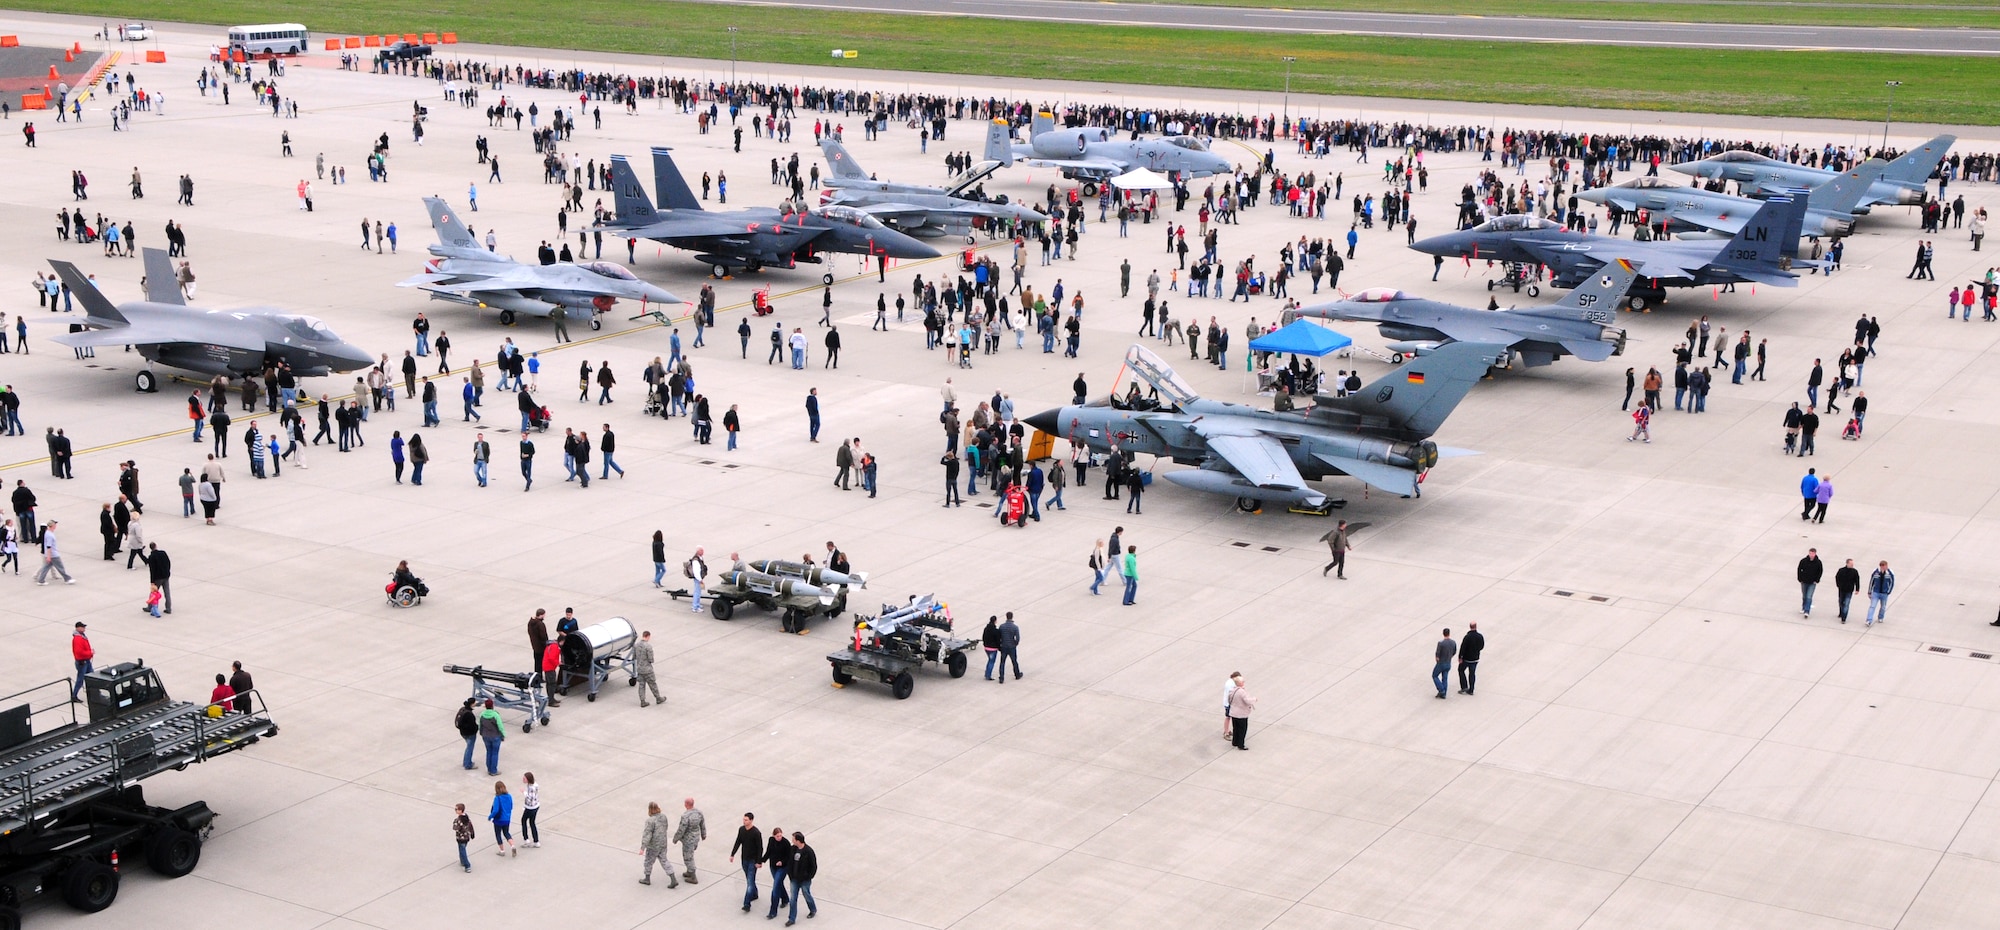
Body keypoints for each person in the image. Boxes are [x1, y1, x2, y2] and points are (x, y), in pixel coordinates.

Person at [640, 802, 680, 887]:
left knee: (648, 861)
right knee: (664, 860)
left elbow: (647, 834)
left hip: (653, 845)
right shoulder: (663, 817)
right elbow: (666, 827)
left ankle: (647, 878)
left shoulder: (650, 821)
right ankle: (673, 878)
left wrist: (643, 847)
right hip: (663, 843)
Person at [731, 813, 765, 912]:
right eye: (743, 820)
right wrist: (732, 854)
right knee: (749, 880)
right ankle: (754, 894)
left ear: (751, 820)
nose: (744, 821)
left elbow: (760, 848)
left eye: (746, 820)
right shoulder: (741, 830)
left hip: (753, 861)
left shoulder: (756, 833)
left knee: (750, 882)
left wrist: (759, 861)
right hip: (744, 859)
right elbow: (738, 842)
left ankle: (747, 904)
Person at [786, 832, 818, 925]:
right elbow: (790, 862)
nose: (792, 841)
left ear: (798, 840)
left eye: (793, 839)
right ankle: (791, 919)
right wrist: (790, 875)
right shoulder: (793, 849)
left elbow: (813, 866)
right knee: (793, 898)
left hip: (805, 880)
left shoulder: (808, 851)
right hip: (794, 879)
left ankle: (813, 909)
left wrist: (808, 877)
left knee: (806, 894)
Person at [674, 798, 706, 884]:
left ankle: (693, 876)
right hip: (696, 837)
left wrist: (676, 838)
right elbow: (702, 824)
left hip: (688, 839)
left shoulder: (685, 816)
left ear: (686, 804)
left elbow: (681, 829)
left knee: (688, 857)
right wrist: (703, 835)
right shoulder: (699, 813)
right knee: (690, 854)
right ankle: (689, 871)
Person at [763, 828, 793, 919]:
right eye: (777, 836)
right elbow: (768, 852)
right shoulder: (771, 840)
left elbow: (789, 857)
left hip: (783, 868)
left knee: (775, 888)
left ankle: (773, 912)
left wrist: (782, 862)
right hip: (773, 866)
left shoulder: (786, 843)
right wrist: (761, 860)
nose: (779, 837)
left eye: (780, 835)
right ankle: (785, 899)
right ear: (773, 835)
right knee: (778, 884)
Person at [37, 519, 73, 586]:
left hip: (50, 554)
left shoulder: (48, 533)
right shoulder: (49, 535)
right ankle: (67, 578)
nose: (56, 525)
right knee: (60, 566)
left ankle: (41, 580)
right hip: (53, 554)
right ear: (52, 526)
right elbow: (49, 546)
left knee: (46, 567)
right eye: (55, 524)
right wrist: (49, 556)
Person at [1227, 674, 1257, 749]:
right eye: (1243, 681)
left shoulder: (1232, 690)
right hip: (1241, 714)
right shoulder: (1242, 692)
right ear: (1240, 683)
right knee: (1242, 729)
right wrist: (1254, 699)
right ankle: (1241, 744)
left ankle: (1235, 742)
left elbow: (1229, 700)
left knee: (1236, 728)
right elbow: (1247, 701)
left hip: (1234, 712)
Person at [488, 781, 517, 857]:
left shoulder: (497, 798)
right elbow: (511, 807)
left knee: (498, 834)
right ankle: (512, 845)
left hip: (498, 820)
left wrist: (490, 816)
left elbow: (495, 810)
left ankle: (502, 850)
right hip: (507, 818)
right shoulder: (509, 796)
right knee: (506, 833)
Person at [476, 697, 505, 776]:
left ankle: (489, 769)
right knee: (495, 753)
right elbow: (500, 726)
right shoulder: (495, 715)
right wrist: (503, 734)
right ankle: (493, 770)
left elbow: (480, 725)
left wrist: (481, 733)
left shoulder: (482, 714)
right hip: (495, 736)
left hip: (485, 736)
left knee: (489, 752)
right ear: (492, 706)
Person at [635, 629, 663, 706]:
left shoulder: (636, 645)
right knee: (652, 684)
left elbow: (634, 656)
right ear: (648, 636)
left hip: (640, 669)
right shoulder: (648, 646)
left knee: (641, 685)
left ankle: (642, 701)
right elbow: (651, 659)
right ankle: (658, 698)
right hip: (647, 669)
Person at [1866, 560, 1895, 627]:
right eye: (1884, 566)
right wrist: (1869, 591)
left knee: (1883, 607)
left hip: (1884, 593)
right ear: (1881, 566)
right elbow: (1871, 582)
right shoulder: (1875, 572)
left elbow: (1892, 583)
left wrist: (1888, 591)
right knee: (1872, 606)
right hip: (1876, 592)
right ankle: (1869, 620)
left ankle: (1880, 617)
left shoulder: (1890, 573)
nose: (1886, 567)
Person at [1458, 622, 1484, 695]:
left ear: (1470, 627)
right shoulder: (1480, 636)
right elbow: (1481, 646)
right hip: (1475, 658)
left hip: (1467, 659)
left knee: (1461, 670)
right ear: (1476, 626)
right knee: (1472, 673)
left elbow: (1463, 647)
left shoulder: (1467, 637)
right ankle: (1471, 690)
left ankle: (1464, 686)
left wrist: (1460, 657)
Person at [69, 620, 92, 701]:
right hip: (82, 662)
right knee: (80, 679)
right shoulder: (78, 638)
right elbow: (79, 652)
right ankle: (74, 696)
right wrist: (90, 652)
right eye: (83, 627)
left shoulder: (82, 636)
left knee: (91, 677)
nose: (84, 628)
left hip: (86, 661)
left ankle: (93, 694)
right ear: (78, 628)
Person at [996, 612, 1022, 683]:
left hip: (1004, 646)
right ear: (1012, 617)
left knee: (1002, 662)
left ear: (1006, 617)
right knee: (1014, 661)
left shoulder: (1002, 626)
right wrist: (1015, 644)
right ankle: (1017, 674)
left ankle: (1001, 678)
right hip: (1012, 647)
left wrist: (1001, 643)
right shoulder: (1015, 627)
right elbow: (1018, 638)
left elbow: (999, 636)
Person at [1797, 547, 1823, 618]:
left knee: (1809, 596)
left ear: (1815, 554)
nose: (1811, 555)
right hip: (1804, 581)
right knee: (1804, 596)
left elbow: (1820, 571)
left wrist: (1817, 580)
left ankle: (1807, 611)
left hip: (1812, 582)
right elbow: (1799, 569)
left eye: (1813, 553)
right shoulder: (1803, 561)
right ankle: (1803, 607)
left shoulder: (1818, 562)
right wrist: (1800, 578)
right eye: (1810, 553)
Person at [1834, 558, 1861, 624]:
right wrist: (1838, 585)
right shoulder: (1841, 570)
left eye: (1852, 564)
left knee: (1846, 603)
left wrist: (1857, 589)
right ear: (1847, 563)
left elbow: (1857, 580)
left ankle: (1844, 618)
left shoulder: (1854, 572)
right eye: (1851, 564)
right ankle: (1841, 612)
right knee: (1841, 601)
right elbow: (1837, 577)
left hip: (1849, 590)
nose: (1852, 565)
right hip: (1842, 589)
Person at [455, 697, 480, 770]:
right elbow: (472, 725)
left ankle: (466, 762)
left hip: (463, 733)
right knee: (469, 748)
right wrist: (477, 728)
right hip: (470, 734)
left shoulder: (463, 709)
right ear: (472, 704)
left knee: (468, 747)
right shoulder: (469, 714)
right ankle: (468, 764)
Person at [1432, 628, 1457, 699]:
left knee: (1434, 675)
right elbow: (1454, 652)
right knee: (1445, 678)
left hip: (1441, 663)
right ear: (1449, 633)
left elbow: (1437, 654)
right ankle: (1444, 693)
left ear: (1443, 633)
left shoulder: (1441, 643)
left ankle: (1441, 690)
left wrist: (1437, 660)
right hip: (1448, 662)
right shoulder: (1453, 642)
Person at [518, 772, 541, 848]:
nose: (523, 779)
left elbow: (530, 798)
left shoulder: (531, 787)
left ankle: (526, 839)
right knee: (532, 823)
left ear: (528, 779)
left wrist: (524, 792)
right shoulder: (534, 784)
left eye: (524, 778)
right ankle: (536, 841)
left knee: (523, 820)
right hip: (536, 806)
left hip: (530, 808)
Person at [452, 803, 476, 872]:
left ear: (460, 810)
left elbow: (455, 828)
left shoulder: (458, 820)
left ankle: (467, 865)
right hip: (466, 837)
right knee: (462, 849)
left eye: (456, 809)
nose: (455, 810)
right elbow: (471, 826)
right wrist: (472, 834)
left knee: (462, 851)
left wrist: (455, 824)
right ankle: (462, 861)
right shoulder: (467, 818)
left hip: (460, 838)